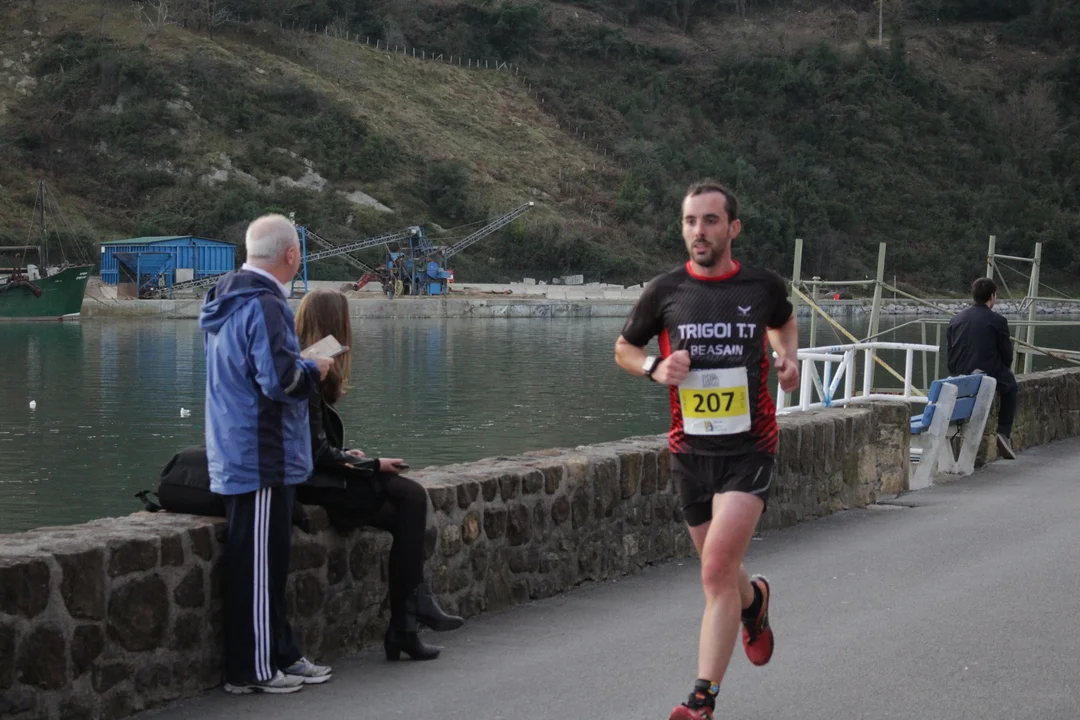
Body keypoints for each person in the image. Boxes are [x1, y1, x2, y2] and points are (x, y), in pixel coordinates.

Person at [614, 181, 800, 720]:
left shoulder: (762, 286)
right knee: (724, 571)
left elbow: (783, 322)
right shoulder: (665, 291)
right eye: (691, 221)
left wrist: (788, 360)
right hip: (689, 453)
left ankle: (701, 701)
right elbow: (624, 348)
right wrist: (654, 367)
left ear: (732, 228)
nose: (700, 231)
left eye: (711, 220)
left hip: (750, 449)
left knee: (716, 570)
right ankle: (754, 603)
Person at [200, 214, 335, 694]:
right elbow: (280, 382)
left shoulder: (225, 299)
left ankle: (282, 653)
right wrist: (315, 368)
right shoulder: (266, 304)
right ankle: (251, 670)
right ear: (292, 255)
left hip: (241, 447)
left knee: (266, 563)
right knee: (257, 569)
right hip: (260, 455)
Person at [293, 289, 464, 662]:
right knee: (410, 497)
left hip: (314, 475)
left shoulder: (302, 361)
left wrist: (349, 455)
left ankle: (406, 625)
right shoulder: (307, 368)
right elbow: (313, 455)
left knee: (407, 507)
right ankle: (409, 617)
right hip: (308, 483)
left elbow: (313, 441)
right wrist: (371, 465)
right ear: (336, 324)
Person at [946, 277, 1018, 459]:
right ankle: (1004, 433)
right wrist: (1003, 369)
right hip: (985, 375)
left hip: (959, 377)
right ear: (992, 296)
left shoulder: (956, 319)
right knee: (1011, 386)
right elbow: (1007, 356)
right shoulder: (998, 320)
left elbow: (950, 354)